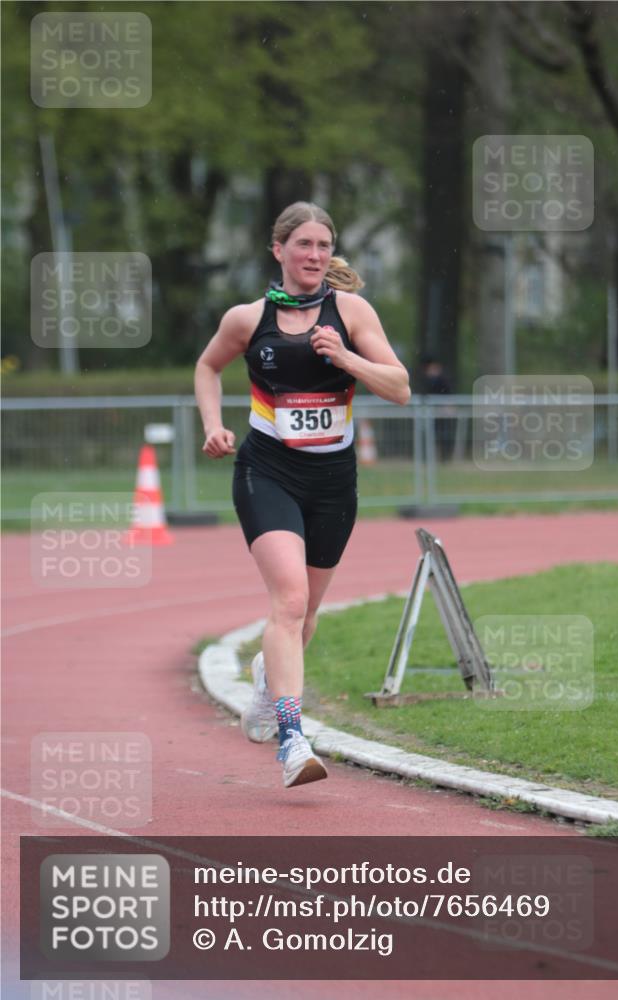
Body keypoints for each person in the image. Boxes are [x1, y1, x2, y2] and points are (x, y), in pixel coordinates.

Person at [194, 202, 410, 788]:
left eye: (323, 245)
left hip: (333, 480)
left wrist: (344, 356)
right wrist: (212, 423)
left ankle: (269, 678)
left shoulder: (351, 312)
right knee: (288, 600)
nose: (315, 255)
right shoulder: (248, 318)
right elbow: (208, 367)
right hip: (267, 470)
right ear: (279, 251)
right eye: (304, 245)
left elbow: (400, 388)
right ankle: (293, 738)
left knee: (305, 614)